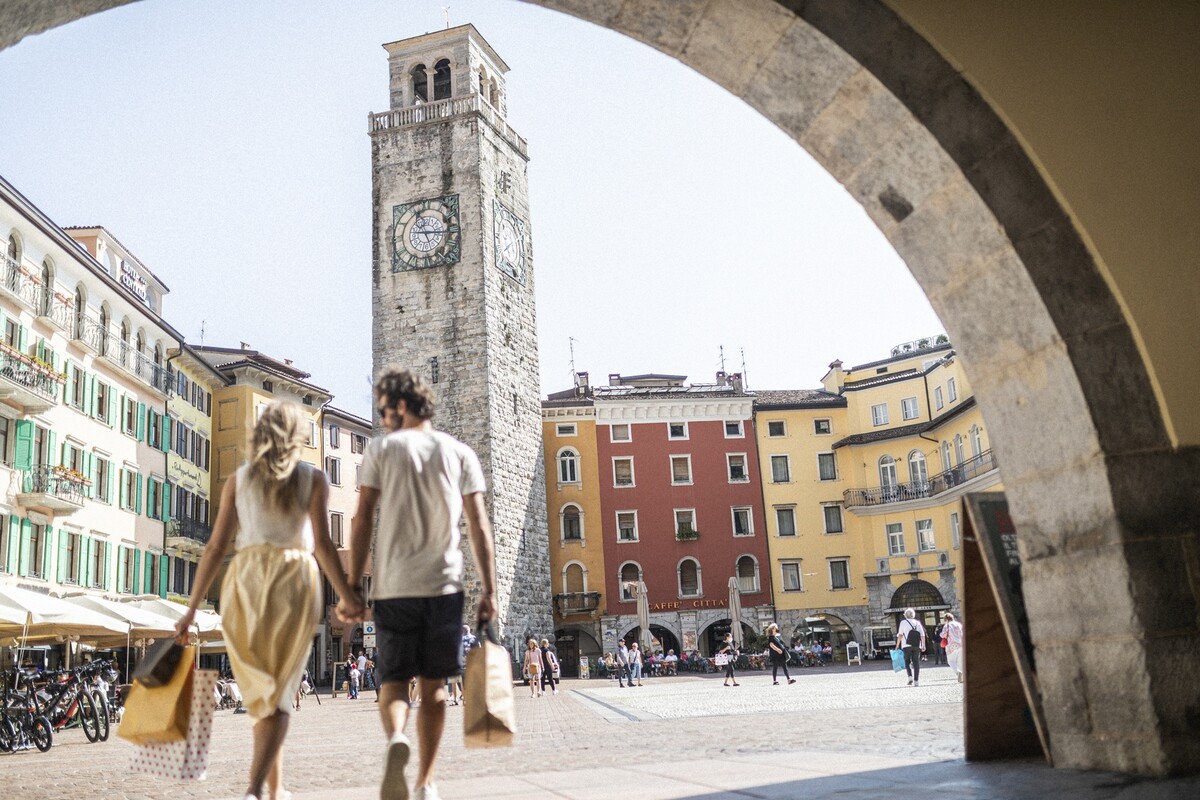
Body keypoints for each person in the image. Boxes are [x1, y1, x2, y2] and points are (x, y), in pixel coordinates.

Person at [175, 401, 360, 800]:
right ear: (297, 437)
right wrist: (347, 596)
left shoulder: (239, 480)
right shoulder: (313, 479)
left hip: (245, 583)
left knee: (264, 696)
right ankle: (256, 789)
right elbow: (324, 546)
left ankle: (274, 789)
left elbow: (214, 548)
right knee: (279, 696)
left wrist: (191, 611)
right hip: (293, 583)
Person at [345, 368, 497, 800]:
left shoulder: (381, 450)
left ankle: (397, 735)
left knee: (394, 680)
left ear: (398, 406)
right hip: (443, 585)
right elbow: (479, 525)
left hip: (393, 586)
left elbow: (362, 519)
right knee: (435, 687)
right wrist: (490, 589)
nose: (382, 418)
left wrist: (354, 583)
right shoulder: (460, 453)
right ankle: (427, 781)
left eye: (382, 410)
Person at [896, 607, 927, 687]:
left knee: (907, 661)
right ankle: (916, 681)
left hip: (906, 645)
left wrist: (897, 645)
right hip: (917, 645)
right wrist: (923, 645)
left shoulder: (903, 622)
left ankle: (910, 676)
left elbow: (900, 635)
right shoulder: (917, 622)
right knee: (916, 662)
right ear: (913, 615)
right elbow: (922, 635)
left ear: (905, 615)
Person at [942, 612, 965, 683]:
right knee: (960, 661)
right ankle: (963, 675)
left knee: (951, 661)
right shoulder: (959, 624)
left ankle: (958, 672)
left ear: (946, 619)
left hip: (951, 645)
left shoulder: (947, 625)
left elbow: (943, 635)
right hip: (961, 644)